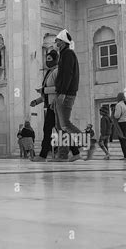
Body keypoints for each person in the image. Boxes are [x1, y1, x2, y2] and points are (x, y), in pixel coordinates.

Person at [52, 29, 82, 161]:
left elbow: (68, 74)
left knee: (64, 124)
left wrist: (63, 92)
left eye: (57, 41)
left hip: (67, 94)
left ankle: (85, 142)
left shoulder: (68, 54)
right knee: (60, 126)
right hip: (63, 93)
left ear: (63, 42)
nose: (56, 43)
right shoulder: (64, 54)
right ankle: (64, 155)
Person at [30, 49, 59, 162]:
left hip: (56, 106)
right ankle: (74, 151)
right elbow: (47, 95)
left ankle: (43, 155)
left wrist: (43, 89)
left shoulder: (57, 71)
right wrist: (36, 101)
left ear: (55, 60)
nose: (48, 62)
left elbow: (59, 88)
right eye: (47, 60)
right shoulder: (49, 72)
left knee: (51, 130)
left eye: (50, 59)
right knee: (50, 130)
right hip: (50, 106)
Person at [114, 92, 126, 160]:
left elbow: (117, 115)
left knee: (122, 139)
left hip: (123, 124)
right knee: (124, 139)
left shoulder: (119, 105)